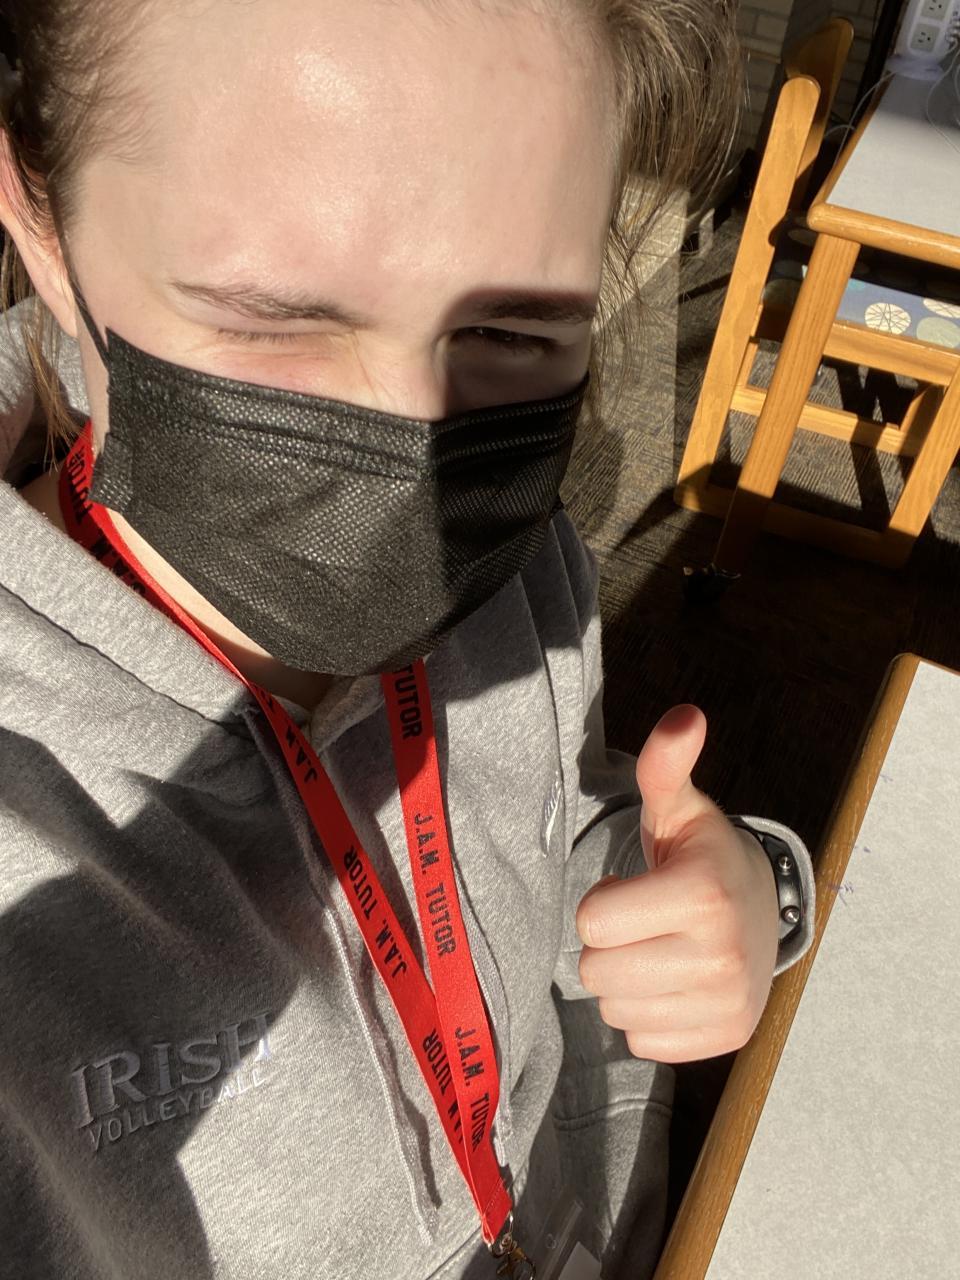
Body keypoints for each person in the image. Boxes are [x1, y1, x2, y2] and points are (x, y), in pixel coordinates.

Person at [0, 2, 815, 1277]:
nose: (416, 457)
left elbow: (542, 826)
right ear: (41, 217)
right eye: (276, 317)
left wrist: (726, 884)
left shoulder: (520, 563)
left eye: (513, 334)